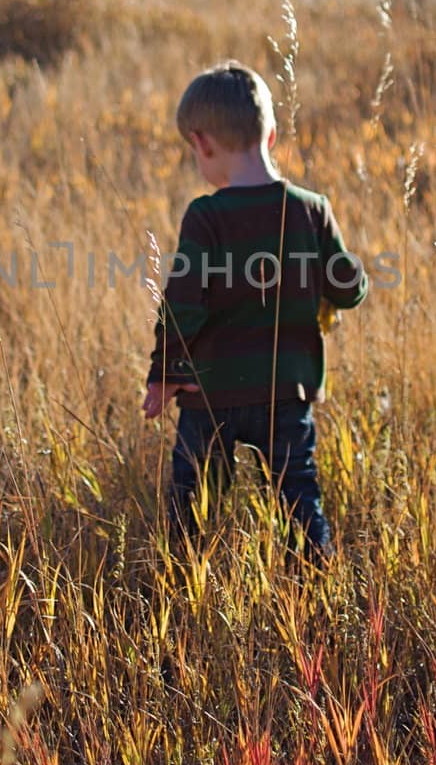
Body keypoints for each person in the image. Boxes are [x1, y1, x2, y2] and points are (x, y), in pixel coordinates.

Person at [142, 60, 368, 565]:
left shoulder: (206, 216)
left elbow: (183, 303)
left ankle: (183, 583)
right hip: (285, 394)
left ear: (201, 144)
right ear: (271, 135)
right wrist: (350, 272)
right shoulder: (311, 209)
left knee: (194, 505)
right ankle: (314, 584)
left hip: (209, 396)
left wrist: (165, 375)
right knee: (298, 497)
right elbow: (348, 289)